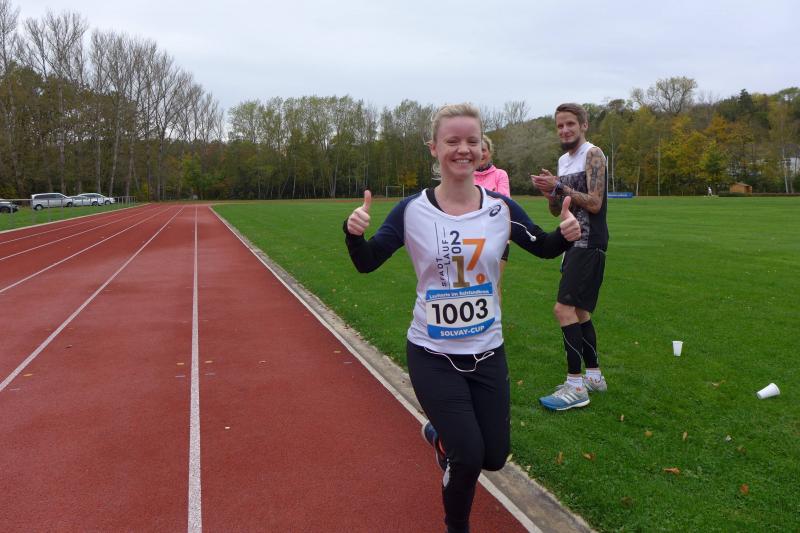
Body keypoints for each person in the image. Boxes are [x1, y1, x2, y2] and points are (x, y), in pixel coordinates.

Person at [344, 103, 580, 533]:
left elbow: (544, 247)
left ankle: (439, 437)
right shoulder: (411, 210)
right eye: (452, 141)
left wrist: (564, 236)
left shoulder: (501, 208)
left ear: (482, 148)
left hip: (488, 351)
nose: (463, 149)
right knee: (468, 457)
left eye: (471, 140)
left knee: (494, 457)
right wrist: (353, 234)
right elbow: (367, 262)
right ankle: (457, 525)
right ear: (434, 148)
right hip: (432, 353)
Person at [531, 102, 609, 411]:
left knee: (563, 309)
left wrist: (560, 185)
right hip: (572, 241)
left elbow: (595, 203)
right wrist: (550, 193)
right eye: (560, 126)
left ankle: (575, 386)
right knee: (579, 312)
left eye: (570, 124)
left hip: (589, 241)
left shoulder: (593, 154)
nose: (564, 130)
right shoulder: (563, 160)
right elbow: (557, 209)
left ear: (583, 125)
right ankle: (594, 376)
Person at [473, 135, 511, 301]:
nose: (481, 153)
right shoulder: (466, 176)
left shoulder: (500, 174)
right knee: (471, 285)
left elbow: (503, 201)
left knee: (494, 285)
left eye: (484, 149)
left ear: (490, 152)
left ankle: (496, 319)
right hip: (470, 238)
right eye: (477, 150)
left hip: (497, 238)